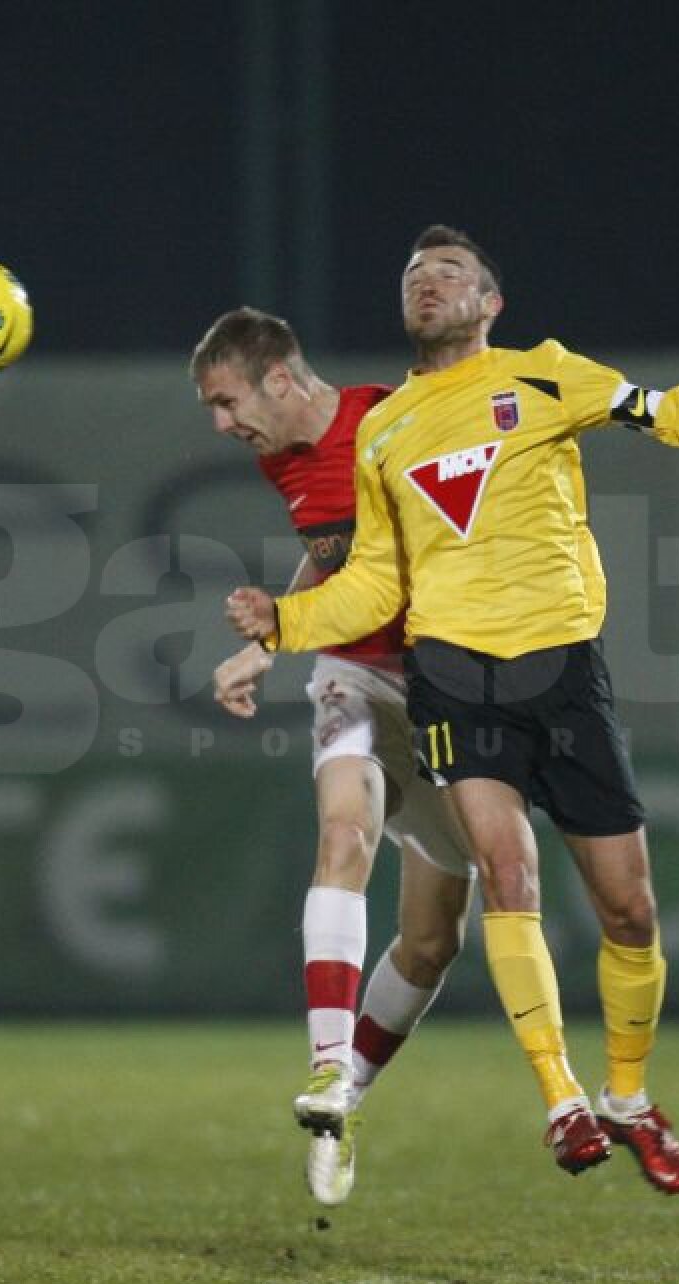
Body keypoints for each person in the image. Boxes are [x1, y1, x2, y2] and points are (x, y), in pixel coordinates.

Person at [226, 224, 679, 1194]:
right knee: (508, 871)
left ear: (491, 304)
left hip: (562, 670)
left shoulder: (548, 376)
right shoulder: (386, 429)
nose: (429, 284)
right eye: (415, 274)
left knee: (629, 907)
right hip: (452, 676)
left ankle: (627, 1097)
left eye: (452, 273)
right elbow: (376, 580)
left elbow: (668, 411)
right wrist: (284, 622)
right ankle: (560, 1098)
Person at [190, 307, 474, 1207]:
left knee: (433, 940)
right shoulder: (281, 460)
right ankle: (322, 1066)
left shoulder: (394, 422)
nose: (221, 424)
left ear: (278, 378)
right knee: (344, 837)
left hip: (444, 686)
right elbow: (335, 561)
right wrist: (272, 640)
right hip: (353, 676)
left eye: (225, 399)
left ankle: (347, 1093)